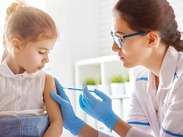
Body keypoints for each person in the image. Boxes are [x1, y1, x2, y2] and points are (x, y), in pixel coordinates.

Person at [51, 0, 183, 136]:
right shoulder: (142, 81)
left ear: (151, 39)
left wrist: (110, 119)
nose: (114, 47)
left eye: (120, 38)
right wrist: (75, 125)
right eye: (113, 37)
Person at [0, 1, 62, 137]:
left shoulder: (45, 80)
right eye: (41, 52)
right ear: (17, 45)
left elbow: (57, 122)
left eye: (48, 52)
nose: (46, 59)